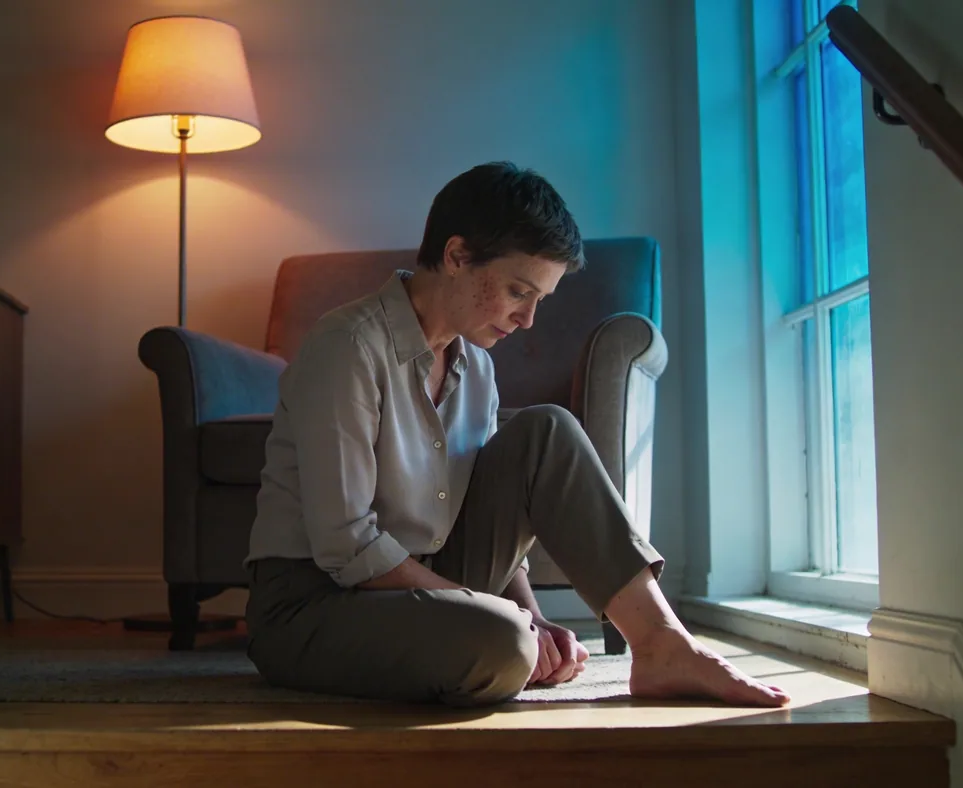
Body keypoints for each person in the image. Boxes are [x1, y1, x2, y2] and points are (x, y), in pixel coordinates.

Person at [242, 162, 791, 708]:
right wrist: (513, 622)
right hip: (313, 605)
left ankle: (663, 644)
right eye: (516, 291)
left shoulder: (477, 368)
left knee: (546, 430)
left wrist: (537, 616)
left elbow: (500, 520)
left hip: (427, 586)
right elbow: (347, 547)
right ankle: (493, 636)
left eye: (539, 301)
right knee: (504, 645)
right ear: (457, 256)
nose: (527, 319)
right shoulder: (348, 346)